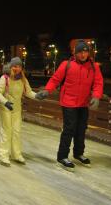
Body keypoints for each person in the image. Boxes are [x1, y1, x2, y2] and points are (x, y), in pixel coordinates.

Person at [36, 40, 104, 171]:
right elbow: (55, 79)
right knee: (69, 129)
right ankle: (62, 156)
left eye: (85, 51)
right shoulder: (66, 65)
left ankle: (78, 153)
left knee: (81, 129)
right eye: (80, 52)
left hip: (83, 103)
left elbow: (98, 83)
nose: (83, 54)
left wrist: (96, 96)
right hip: (68, 102)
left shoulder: (94, 67)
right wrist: (47, 90)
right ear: (75, 53)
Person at [0, 57, 38, 166]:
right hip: (6, 108)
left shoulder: (23, 79)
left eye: (18, 66)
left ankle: (16, 154)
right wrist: (5, 102)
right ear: (10, 66)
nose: (16, 68)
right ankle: (3, 155)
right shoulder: (5, 78)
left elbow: (28, 92)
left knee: (17, 131)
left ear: (21, 68)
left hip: (17, 109)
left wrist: (38, 96)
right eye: (14, 66)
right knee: (7, 131)